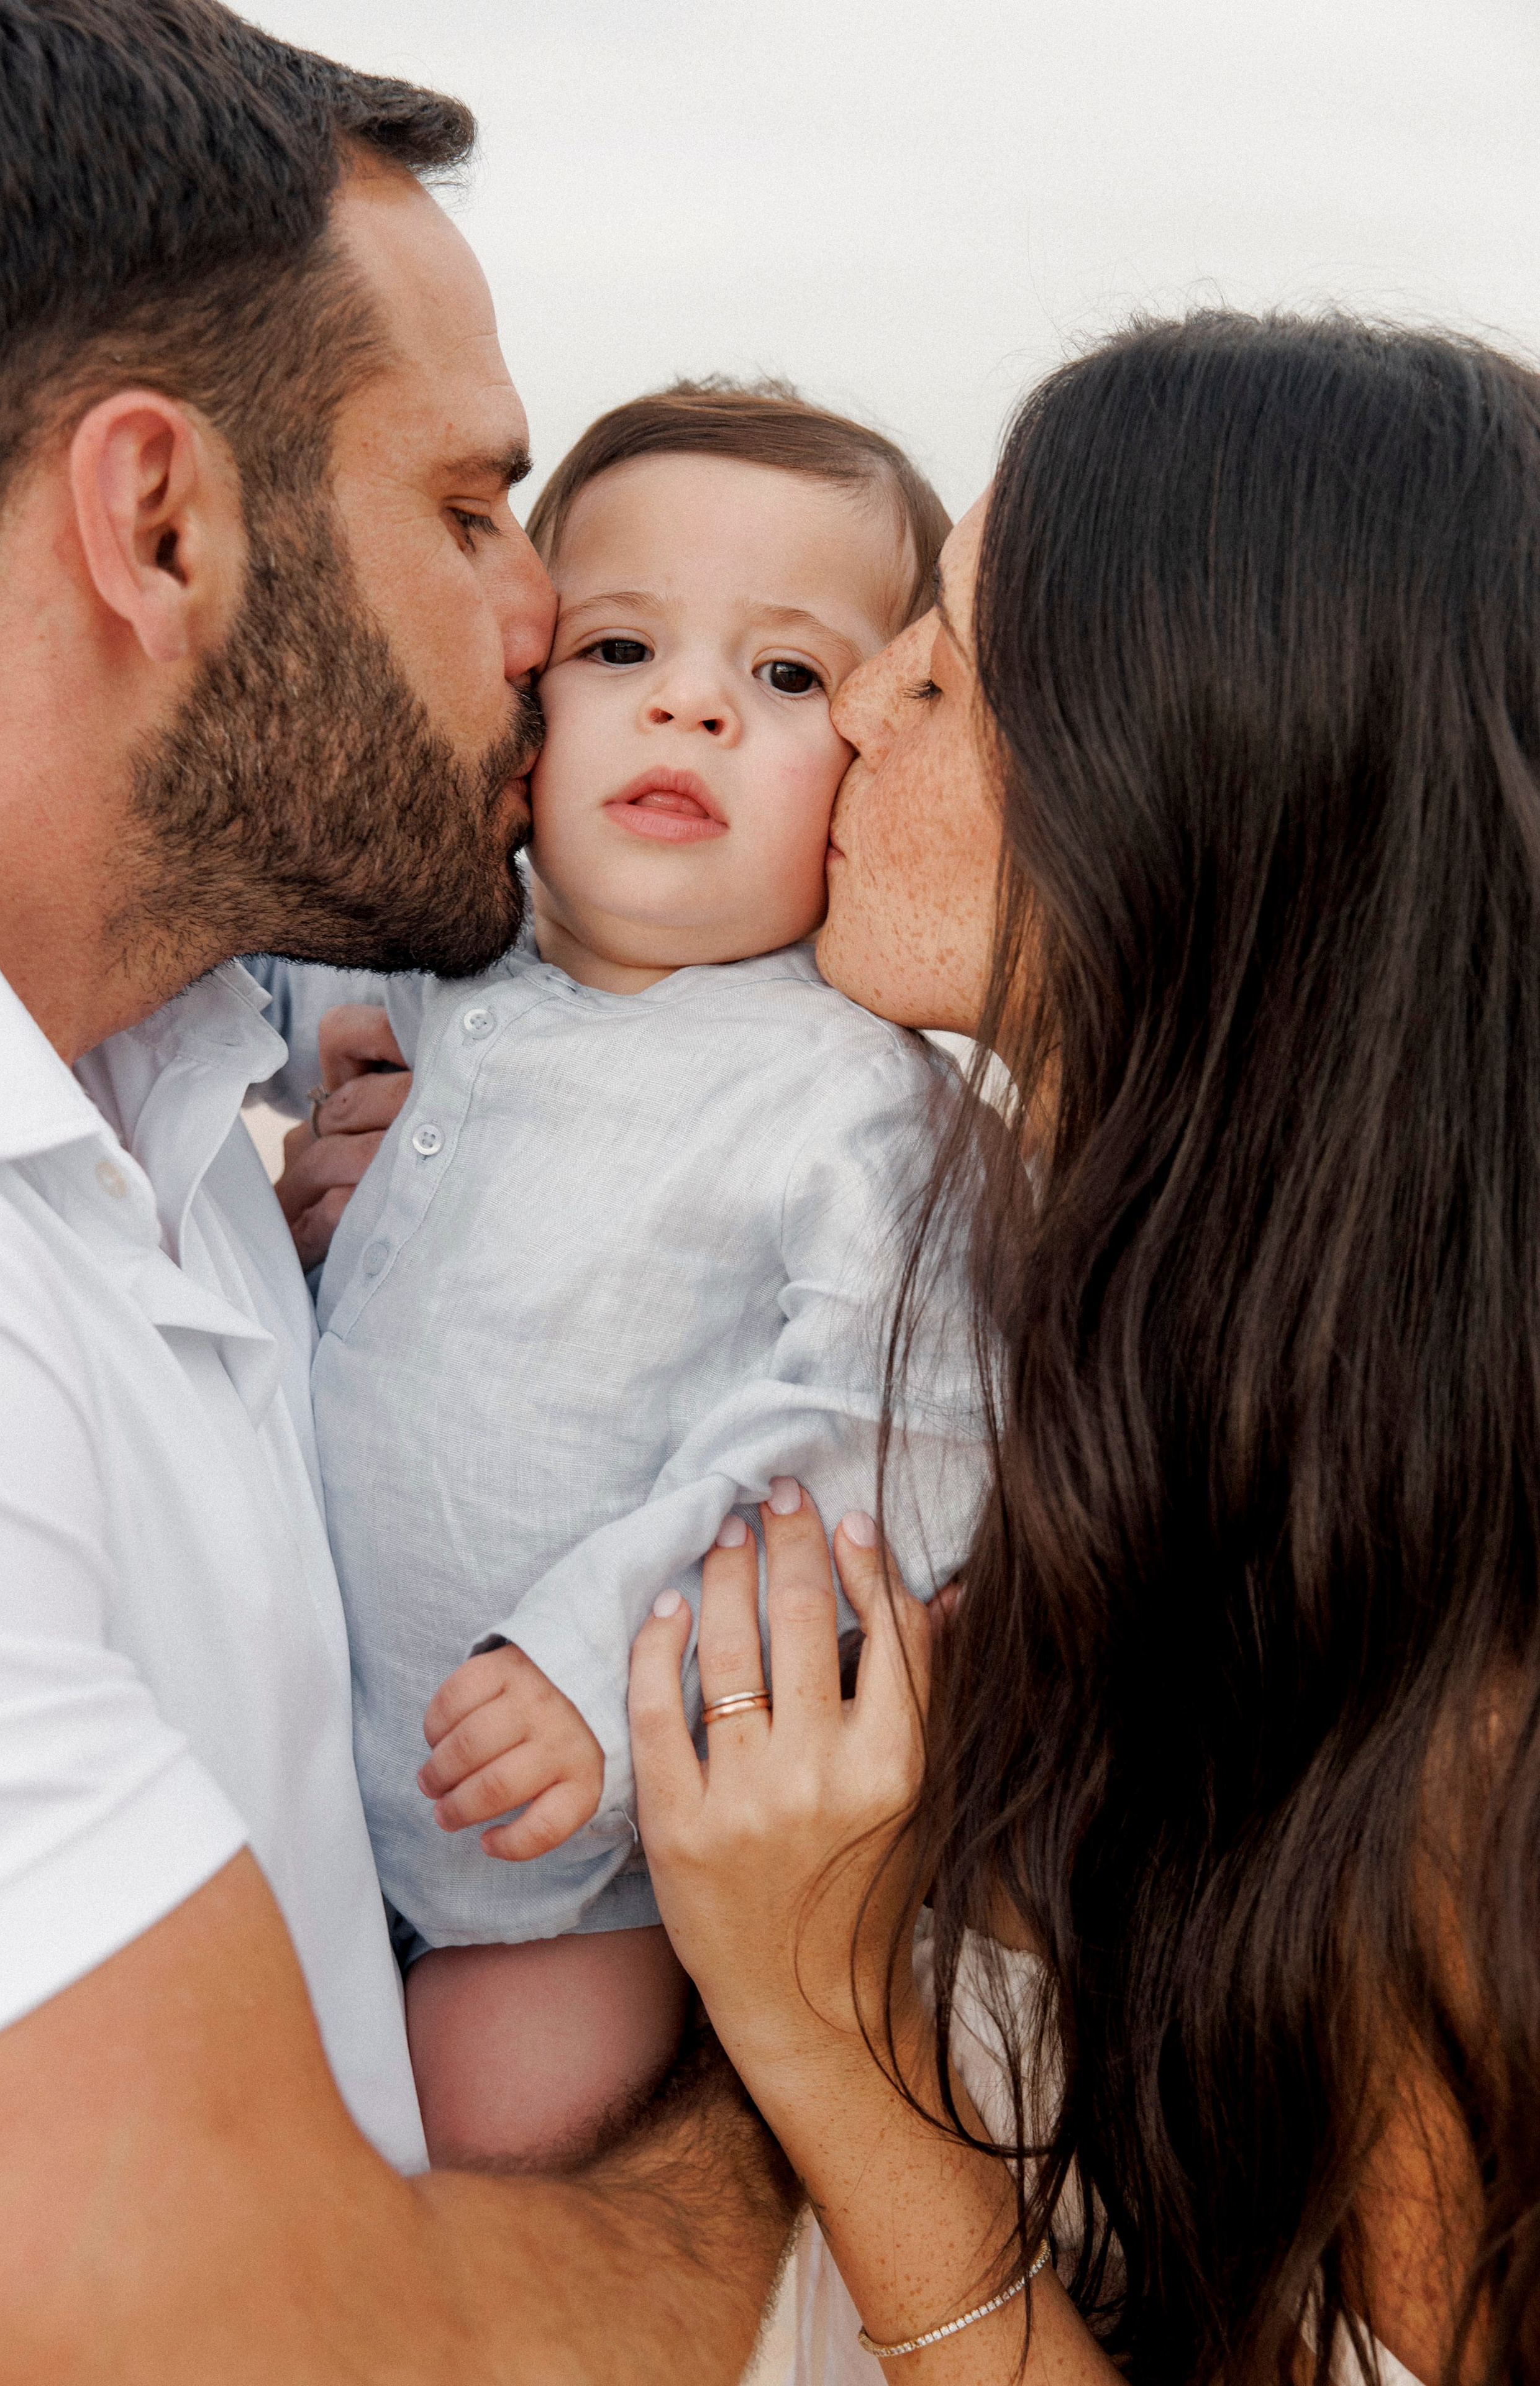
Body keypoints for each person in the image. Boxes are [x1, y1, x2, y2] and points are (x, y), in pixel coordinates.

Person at [0, 4, 795, 2375]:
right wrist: (821, 2073)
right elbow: (262, 2338)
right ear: (160, 523)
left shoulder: (188, 1083)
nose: (543, 620)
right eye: (464, 510)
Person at [626, 312, 1540, 2385]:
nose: (852, 705)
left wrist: (824, 2033)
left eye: (942, 669)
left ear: (1191, 810)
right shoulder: (1117, 1368)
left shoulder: (1467, 1762)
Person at [247, 380, 977, 2169]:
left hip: (575, 1876)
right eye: (623, 640)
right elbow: (182, 981)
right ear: (519, 702)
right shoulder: (435, 970)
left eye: (792, 677)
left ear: (881, 750)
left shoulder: (845, 1097)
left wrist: (592, 1654)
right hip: (299, 1797)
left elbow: (883, 1433)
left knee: (472, 2170)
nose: (694, 700)